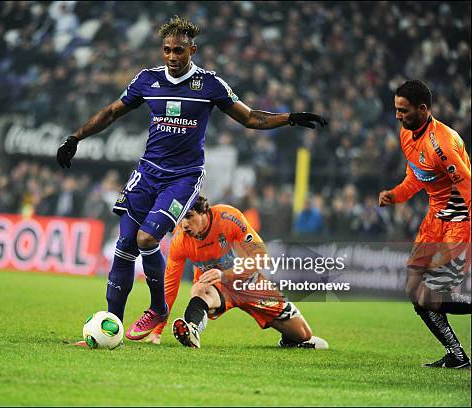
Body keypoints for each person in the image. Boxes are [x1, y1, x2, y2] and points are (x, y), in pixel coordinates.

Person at [56, 16, 327, 341]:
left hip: (182, 177)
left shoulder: (210, 84)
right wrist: (75, 138)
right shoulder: (147, 80)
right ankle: (111, 326)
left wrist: (290, 118)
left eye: (179, 51)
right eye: (167, 50)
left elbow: (251, 118)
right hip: (146, 172)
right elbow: (112, 112)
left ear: (192, 50)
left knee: (146, 240)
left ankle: (158, 308)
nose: (172, 57)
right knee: (125, 247)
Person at [144, 196, 328, 349]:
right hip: (216, 287)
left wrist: (226, 275)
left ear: (203, 212)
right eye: (180, 219)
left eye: (189, 217)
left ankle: (289, 338)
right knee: (200, 290)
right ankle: (192, 330)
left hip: (249, 282)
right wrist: (157, 331)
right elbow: (169, 288)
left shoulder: (228, 217)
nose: (184, 225)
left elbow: (261, 256)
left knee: (303, 334)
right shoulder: (180, 241)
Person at [379, 80, 470, 369]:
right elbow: (416, 177)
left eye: (402, 110)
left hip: (458, 223)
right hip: (434, 222)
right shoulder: (407, 134)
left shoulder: (442, 144)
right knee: (413, 291)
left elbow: (468, 188)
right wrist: (396, 195)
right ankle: (456, 355)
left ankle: (456, 355)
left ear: (423, 109)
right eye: (396, 109)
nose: (397, 116)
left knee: (428, 297)